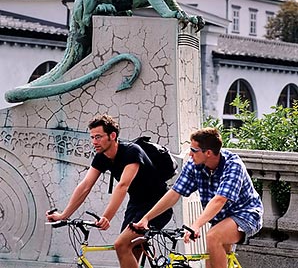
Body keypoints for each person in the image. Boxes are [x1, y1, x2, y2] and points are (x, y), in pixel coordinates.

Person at [46, 114, 173, 268]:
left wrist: (106, 217)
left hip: (157, 205)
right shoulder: (101, 157)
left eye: (98, 137)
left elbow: (123, 186)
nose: (94, 142)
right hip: (136, 206)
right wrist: (64, 215)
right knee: (129, 252)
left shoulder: (132, 152)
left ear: (112, 136)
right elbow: (86, 185)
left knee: (121, 245)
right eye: (92, 137)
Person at [134, 127, 263, 268]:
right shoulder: (194, 164)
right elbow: (174, 193)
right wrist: (147, 218)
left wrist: (196, 225)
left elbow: (219, 200)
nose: (190, 154)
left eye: (194, 150)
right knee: (211, 261)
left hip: (245, 213)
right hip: (220, 218)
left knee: (213, 237)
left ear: (208, 153)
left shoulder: (233, 165)